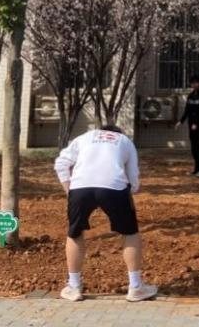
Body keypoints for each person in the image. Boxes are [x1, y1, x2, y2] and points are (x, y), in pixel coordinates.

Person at [54, 124, 157, 303]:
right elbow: (133, 176)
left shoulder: (84, 137)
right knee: (130, 233)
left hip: (80, 187)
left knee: (75, 233)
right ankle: (135, 287)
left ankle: (74, 287)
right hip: (114, 187)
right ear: (117, 133)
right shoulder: (125, 141)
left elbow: (61, 163)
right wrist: (131, 190)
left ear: (101, 130)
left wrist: (68, 189)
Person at [175, 74, 199, 176]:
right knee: (194, 148)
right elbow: (187, 111)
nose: (194, 85)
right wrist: (180, 122)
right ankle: (196, 168)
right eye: (192, 83)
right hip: (191, 126)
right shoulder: (190, 96)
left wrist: (196, 123)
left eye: (196, 83)